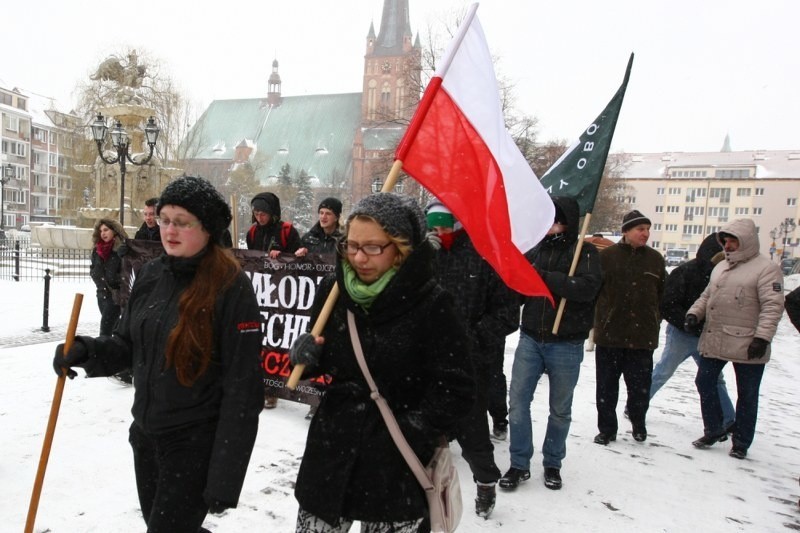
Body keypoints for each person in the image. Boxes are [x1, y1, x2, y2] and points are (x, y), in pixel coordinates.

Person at [53, 176, 264, 533]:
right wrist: (86, 351)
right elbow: (126, 345)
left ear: (208, 228)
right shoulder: (151, 274)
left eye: (182, 222)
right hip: (147, 438)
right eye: (164, 219)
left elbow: (243, 391)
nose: (169, 229)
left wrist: (225, 476)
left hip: (194, 445)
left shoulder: (231, 288)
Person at [288, 192, 475, 532]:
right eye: (352, 245)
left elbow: (457, 387)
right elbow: (325, 353)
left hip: (395, 460)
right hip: (333, 447)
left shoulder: (432, 303)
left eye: (373, 247)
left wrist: (416, 426)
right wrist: (307, 357)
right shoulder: (334, 289)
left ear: (401, 249)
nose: (359, 257)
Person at [499, 197, 601, 492]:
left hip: (566, 343)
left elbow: (587, 288)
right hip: (531, 336)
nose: (549, 225)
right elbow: (520, 288)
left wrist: (545, 279)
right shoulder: (536, 250)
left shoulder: (586, 252)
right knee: (517, 404)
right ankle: (519, 463)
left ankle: (553, 462)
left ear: (567, 221)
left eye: (554, 219)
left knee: (560, 408)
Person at [426, 200, 518, 517]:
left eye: (444, 226)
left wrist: (474, 337)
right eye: (433, 227)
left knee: (472, 429)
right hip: (428, 360)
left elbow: (507, 314)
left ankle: (485, 481)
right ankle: (422, 487)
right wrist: (420, 259)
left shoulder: (484, 256)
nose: (439, 232)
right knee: (424, 429)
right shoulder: (426, 257)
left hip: (470, 362)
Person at [687, 219, 784, 459]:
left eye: (733, 241)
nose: (728, 246)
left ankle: (741, 442)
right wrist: (694, 313)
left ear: (746, 241)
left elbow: (773, 306)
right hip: (717, 337)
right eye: (726, 241)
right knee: (704, 382)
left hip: (749, 342)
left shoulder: (766, 269)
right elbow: (707, 295)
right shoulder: (721, 267)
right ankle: (713, 428)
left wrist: (762, 338)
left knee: (747, 394)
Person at [593, 210, 666, 445]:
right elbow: (595, 292)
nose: (645, 233)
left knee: (639, 388)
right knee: (606, 388)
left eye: (647, 229)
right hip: (610, 334)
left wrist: (655, 318)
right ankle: (607, 429)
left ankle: (638, 423)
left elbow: (663, 294)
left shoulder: (655, 259)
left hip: (642, 336)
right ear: (626, 231)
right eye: (640, 229)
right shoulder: (607, 257)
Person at [650, 233, 736, 434]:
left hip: (708, 334)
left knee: (715, 378)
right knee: (664, 371)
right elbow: (669, 304)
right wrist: (687, 323)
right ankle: (637, 404)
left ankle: (729, 418)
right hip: (683, 333)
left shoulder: (727, 274)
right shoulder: (685, 272)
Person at [246, 191, 302, 408]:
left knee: (276, 340)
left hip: (283, 293)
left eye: (263, 214)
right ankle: (258, 385)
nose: (259, 218)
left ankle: (273, 389)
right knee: (257, 339)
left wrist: (286, 254)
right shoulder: (252, 232)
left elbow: (300, 257)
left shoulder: (287, 231)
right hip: (260, 292)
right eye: (256, 213)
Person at [295, 197, 344, 419]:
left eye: (328, 213)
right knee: (313, 347)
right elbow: (298, 271)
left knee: (332, 350)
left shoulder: (343, 240)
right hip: (313, 302)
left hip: (336, 303)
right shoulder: (309, 238)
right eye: (321, 212)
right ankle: (314, 400)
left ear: (337, 217)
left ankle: (328, 398)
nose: (323, 217)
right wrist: (299, 257)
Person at [90, 218, 128, 338]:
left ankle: (102, 355)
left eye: (106, 230)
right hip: (101, 294)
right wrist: (94, 273)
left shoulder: (121, 249)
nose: (103, 233)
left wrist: (116, 280)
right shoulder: (98, 250)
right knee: (115, 328)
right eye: (101, 231)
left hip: (115, 296)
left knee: (105, 331)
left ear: (115, 231)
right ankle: (119, 352)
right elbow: (94, 268)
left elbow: (128, 271)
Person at [582, 234, 615, 353]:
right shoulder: (606, 257)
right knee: (596, 319)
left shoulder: (592, 261)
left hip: (597, 296)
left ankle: (591, 341)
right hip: (601, 296)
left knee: (594, 319)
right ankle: (592, 341)